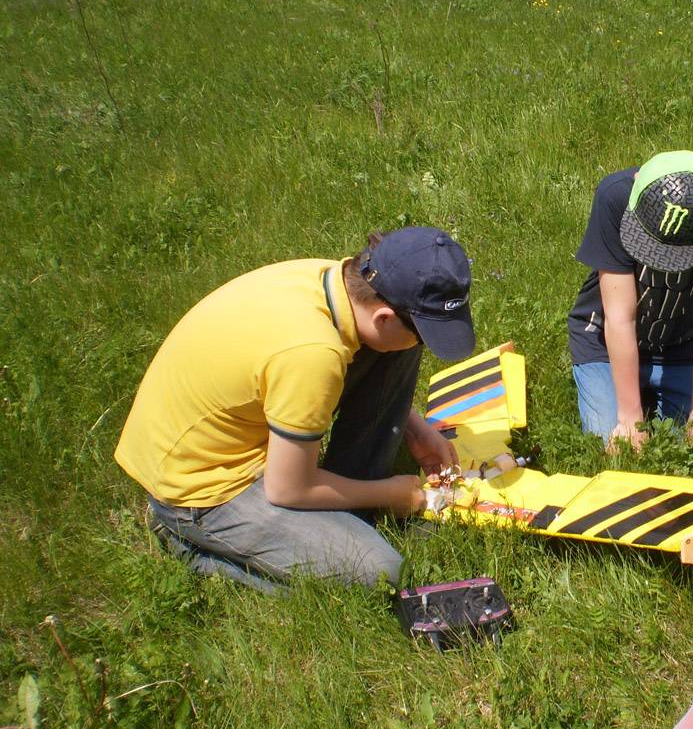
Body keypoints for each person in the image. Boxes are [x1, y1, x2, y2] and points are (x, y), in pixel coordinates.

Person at [114, 227, 474, 593]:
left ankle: (348, 500)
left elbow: (347, 351)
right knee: (380, 574)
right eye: (422, 332)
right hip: (198, 488)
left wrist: (414, 428)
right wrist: (389, 493)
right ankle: (186, 541)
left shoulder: (336, 280)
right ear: (382, 317)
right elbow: (289, 489)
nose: (425, 343)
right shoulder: (314, 356)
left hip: (201, 432)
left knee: (402, 346)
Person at [567, 151, 693, 456]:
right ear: (637, 183)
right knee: (609, 439)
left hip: (683, 348)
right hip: (603, 343)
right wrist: (629, 419)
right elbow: (619, 318)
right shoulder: (614, 196)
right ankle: (628, 399)